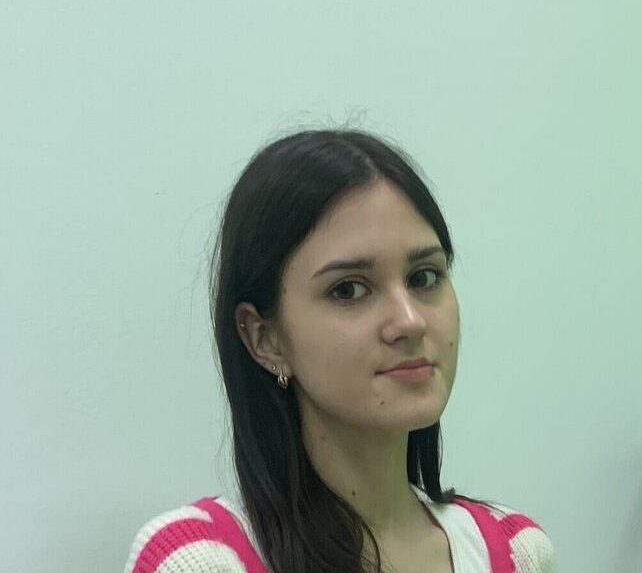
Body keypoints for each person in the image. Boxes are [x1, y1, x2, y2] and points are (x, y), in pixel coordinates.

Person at [123, 130, 558, 573]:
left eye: (424, 277)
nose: (410, 321)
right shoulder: (201, 560)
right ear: (265, 338)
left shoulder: (519, 552)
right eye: (349, 289)